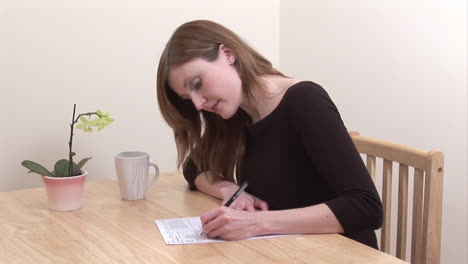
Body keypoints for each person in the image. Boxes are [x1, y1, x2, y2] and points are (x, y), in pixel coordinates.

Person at [156, 20, 383, 249]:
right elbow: (193, 167)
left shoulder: (304, 101)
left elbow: (365, 207)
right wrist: (230, 189)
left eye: (197, 84)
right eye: (188, 98)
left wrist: (255, 223)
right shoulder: (236, 113)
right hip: (288, 250)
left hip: (343, 252)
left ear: (227, 54)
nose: (197, 104)